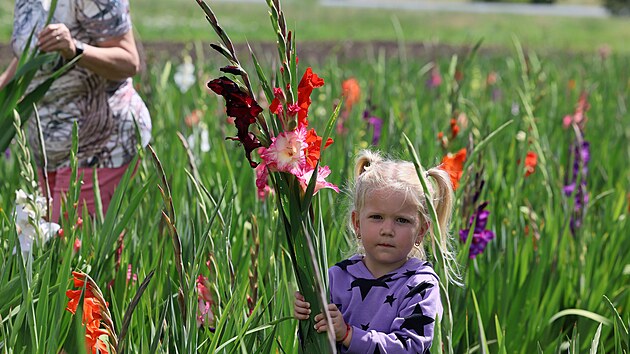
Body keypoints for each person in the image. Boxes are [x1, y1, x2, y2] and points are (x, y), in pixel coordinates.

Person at [0, 0, 152, 221]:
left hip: (98, 143)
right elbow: (29, 52)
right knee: (55, 244)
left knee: (71, 249)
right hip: (48, 149)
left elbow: (129, 62)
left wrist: (74, 48)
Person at [294, 150, 459, 353]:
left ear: (421, 231)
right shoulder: (336, 277)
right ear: (357, 223)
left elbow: (411, 347)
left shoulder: (421, 285)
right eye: (377, 217)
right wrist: (306, 317)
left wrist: (348, 335)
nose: (387, 230)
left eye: (402, 220)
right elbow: (313, 344)